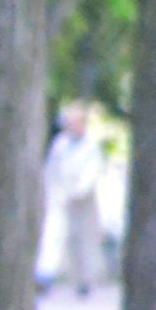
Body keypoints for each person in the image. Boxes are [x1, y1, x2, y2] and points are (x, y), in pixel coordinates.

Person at [41, 101, 110, 295]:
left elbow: (92, 172)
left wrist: (79, 191)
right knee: (54, 234)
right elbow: (51, 170)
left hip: (83, 201)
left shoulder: (91, 146)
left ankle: (85, 279)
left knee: (84, 240)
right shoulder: (61, 144)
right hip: (61, 198)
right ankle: (45, 275)